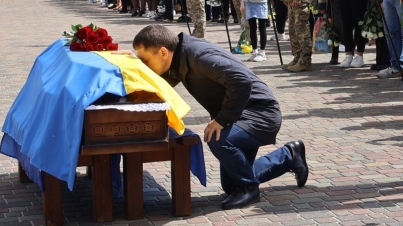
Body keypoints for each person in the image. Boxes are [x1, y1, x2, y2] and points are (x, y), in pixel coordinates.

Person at [131, 25, 309, 209]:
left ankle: (249, 188)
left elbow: (241, 80)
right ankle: (289, 155)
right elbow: (161, 84)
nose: (144, 65)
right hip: (242, 114)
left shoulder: (199, 57)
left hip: (261, 114)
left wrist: (222, 120)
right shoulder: (178, 57)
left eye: (144, 60)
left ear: (162, 52)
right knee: (231, 185)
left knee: (217, 137)